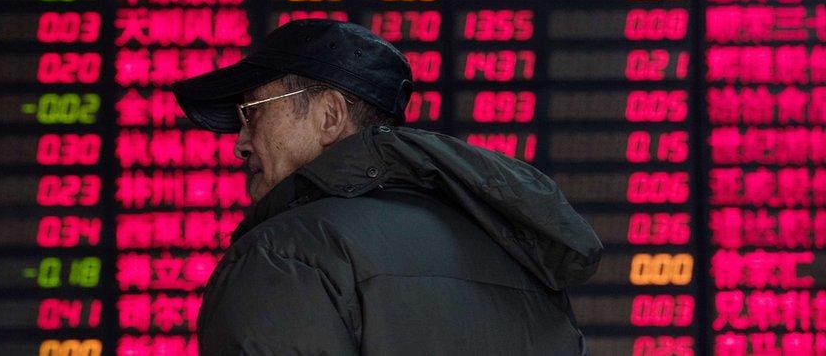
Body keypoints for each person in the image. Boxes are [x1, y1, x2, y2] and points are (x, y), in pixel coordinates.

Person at [173, 19, 603, 355]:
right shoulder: (510, 250)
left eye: (252, 113)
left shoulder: (283, 256)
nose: (239, 142)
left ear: (329, 115)